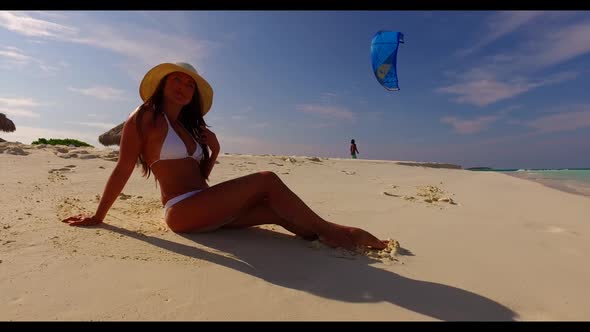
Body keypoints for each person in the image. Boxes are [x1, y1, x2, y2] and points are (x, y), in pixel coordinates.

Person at [62, 62, 386, 251]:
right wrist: (99, 216)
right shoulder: (146, 116)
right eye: (177, 79)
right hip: (181, 212)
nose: (183, 86)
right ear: (162, 84)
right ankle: (340, 235)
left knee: (272, 211)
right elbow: (122, 168)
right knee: (266, 180)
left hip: (203, 202)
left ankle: (325, 235)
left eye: (190, 85)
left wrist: (213, 150)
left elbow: (200, 180)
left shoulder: (188, 128)